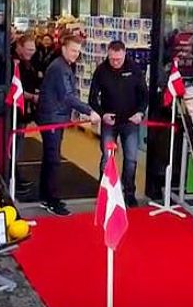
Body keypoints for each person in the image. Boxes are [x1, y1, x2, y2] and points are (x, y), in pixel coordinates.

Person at [35, 35, 101, 216]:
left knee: (50, 158)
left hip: (54, 117)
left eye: (78, 51)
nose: (75, 55)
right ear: (63, 48)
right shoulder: (60, 68)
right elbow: (67, 96)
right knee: (53, 159)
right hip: (52, 119)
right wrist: (89, 111)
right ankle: (52, 200)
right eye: (73, 50)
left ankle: (45, 196)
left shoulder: (62, 66)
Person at [88, 40, 149, 208]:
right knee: (107, 159)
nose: (115, 62)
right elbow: (92, 98)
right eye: (112, 59)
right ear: (108, 54)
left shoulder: (134, 69)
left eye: (118, 59)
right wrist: (102, 114)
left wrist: (140, 112)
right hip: (110, 121)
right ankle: (105, 192)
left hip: (130, 121)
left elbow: (145, 95)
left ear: (124, 54)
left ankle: (129, 192)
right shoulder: (101, 70)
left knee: (131, 159)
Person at [11, 34, 41, 195]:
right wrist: (32, 97)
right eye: (29, 49)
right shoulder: (13, 64)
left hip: (24, 112)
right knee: (13, 146)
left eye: (33, 49)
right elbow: (13, 89)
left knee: (19, 145)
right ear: (19, 47)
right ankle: (12, 177)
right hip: (14, 111)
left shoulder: (29, 63)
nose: (32, 52)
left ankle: (15, 174)